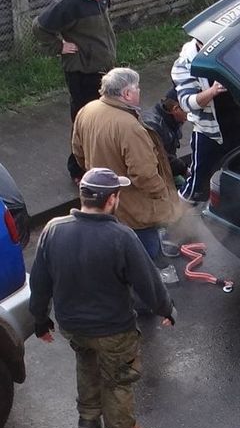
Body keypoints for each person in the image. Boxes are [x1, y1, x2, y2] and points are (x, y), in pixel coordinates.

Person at [28, 167, 176, 428]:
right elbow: (147, 281)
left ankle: (88, 419)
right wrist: (166, 309)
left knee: (86, 364)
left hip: (73, 327)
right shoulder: (121, 236)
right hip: (113, 330)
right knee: (118, 381)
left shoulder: (53, 229)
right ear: (111, 201)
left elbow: (40, 282)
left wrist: (40, 320)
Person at [72, 68, 182, 283]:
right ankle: (153, 277)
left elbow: (78, 151)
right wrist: (162, 194)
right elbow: (144, 174)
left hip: (103, 196)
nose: (140, 91)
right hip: (132, 203)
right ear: (126, 94)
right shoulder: (129, 126)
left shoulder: (87, 110)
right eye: (137, 88)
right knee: (145, 241)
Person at [34, 0, 116, 182]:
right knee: (83, 121)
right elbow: (39, 28)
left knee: (102, 119)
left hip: (103, 67)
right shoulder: (69, 2)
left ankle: (98, 162)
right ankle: (77, 168)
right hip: (81, 72)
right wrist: (59, 46)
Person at [172, 38, 240, 203]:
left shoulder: (231, 50)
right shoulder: (185, 63)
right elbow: (187, 103)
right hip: (209, 133)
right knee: (197, 184)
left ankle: (237, 207)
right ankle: (180, 220)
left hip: (239, 124)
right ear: (199, 44)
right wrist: (213, 91)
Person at [142, 87, 191, 189]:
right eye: (189, 111)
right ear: (176, 109)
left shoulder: (174, 120)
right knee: (184, 187)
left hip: (168, 167)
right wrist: (184, 169)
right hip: (156, 172)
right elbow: (161, 156)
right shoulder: (152, 125)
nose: (191, 115)